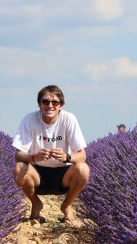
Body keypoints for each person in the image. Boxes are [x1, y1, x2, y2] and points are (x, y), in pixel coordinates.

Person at [12, 85, 89, 223]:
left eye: (55, 102)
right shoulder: (30, 119)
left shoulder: (69, 119)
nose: (50, 106)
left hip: (63, 174)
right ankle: (36, 203)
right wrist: (33, 157)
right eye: (45, 102)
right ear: (39, 104)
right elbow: (18, 155)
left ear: (61, 105)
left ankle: (67, 205)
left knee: (83, 169)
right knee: (19, 167)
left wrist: (67, 157)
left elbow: (82, 155)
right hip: (37, 175)